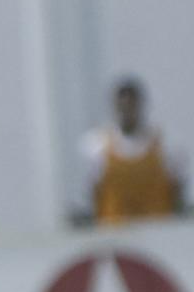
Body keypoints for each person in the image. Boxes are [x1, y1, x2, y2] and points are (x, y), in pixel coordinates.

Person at [76, 78, 186, 225]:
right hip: (115, 231)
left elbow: (178, 191)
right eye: (122, 106)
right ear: (115, 107)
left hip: (159, 230)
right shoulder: (96, 147)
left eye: (131, 105)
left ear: (140, 105)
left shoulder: (166, 145)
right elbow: (93, 194)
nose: (127, 111)